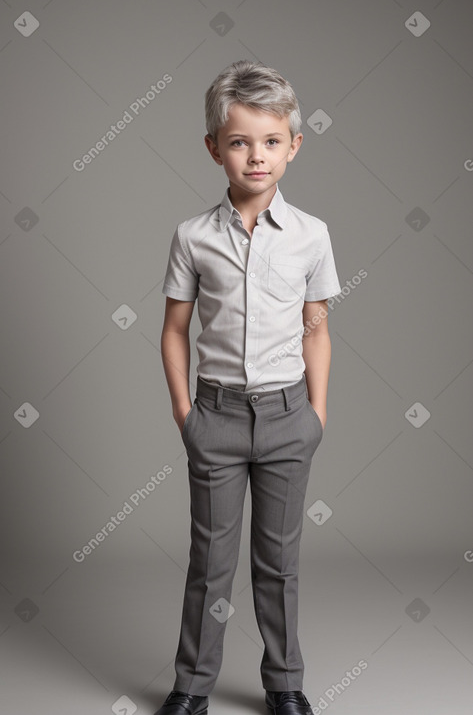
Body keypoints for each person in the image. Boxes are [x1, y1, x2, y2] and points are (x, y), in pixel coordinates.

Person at [157, 60, 341, 715]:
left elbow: (315, 328)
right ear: (214, 148)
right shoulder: (192, 237)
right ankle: (192, 686)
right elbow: (174, 331)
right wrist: (186, 413)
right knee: (208, 562)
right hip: (216, 418)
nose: (254, 156)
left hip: (288, 417)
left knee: (278, 561)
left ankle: (284, 682)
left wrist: (315, 414)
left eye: (269, 141)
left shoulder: (311, 236)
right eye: (238, 141)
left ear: (293, 144)